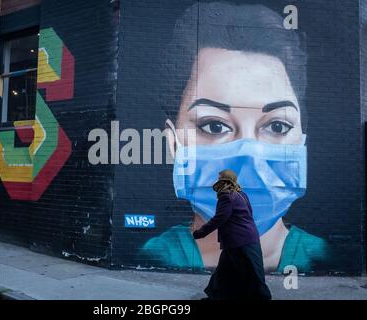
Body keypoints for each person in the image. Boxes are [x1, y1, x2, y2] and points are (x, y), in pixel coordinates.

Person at [140, 1, 331, 273]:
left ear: (302, 141)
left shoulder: (324, 258)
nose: (249, 155)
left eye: (277, 126)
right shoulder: (154, 258)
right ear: (173, 144)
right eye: (214, 126)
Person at [193, 169, 271, 300]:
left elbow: (219, 219)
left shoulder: (227, 196)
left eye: (219, 178)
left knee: (254, 272)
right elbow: (249, 214)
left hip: (241, 241)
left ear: (224, 180)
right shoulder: (241, 194)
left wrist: (200, 233)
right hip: (244, 239)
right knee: (225, 271)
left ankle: (263, 297)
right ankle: (216, 296)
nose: (216, 181)